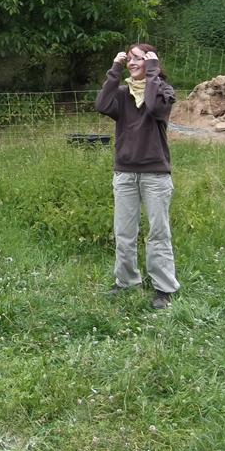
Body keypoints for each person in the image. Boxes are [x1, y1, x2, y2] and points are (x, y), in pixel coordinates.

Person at [95, 43, 181, 310]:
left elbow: (154, 109)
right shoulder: (123, 95)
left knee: (158, 233)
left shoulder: (164, 92)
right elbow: (101, 104)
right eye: (129, 59)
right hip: (125, 173)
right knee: (124, 233)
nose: (132, 63)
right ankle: (126, 282)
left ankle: (164, 288)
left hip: (155, 174)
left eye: (138, 59)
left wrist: (153, 71)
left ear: (151, 63)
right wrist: (114, 69)